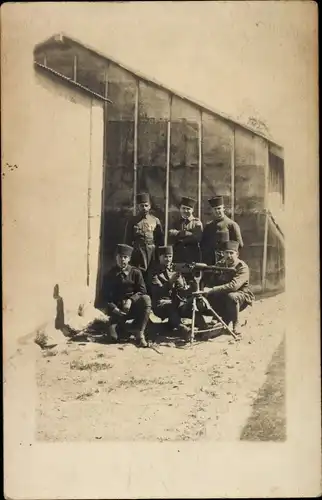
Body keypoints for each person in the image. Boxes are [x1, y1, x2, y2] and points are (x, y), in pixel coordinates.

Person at [196, 240, 254, 336]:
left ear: (237, 254)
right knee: (201, 299)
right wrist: (205, 288)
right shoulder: (220, 264)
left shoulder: (241, 267)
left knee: (232, 297)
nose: (229, 255)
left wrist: (212, 289)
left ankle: (235, 325)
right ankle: (217, 321)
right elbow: (211, 280)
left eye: (231, 253)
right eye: (226, 253)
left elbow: (234, 286)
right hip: (222, 295)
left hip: (240, 296)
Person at [150, 245, 208, 338]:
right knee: (171, 308)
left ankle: (204, 328)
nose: (168, 259)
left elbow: (182, 292)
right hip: (161, 304)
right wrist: (171, 281)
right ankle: (183, 330)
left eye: (170, 256)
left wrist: (193, 286)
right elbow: (159, 292)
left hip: (177, 303)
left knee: (191, 306)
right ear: (159, 257)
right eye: (165, 256)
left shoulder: (175, 270)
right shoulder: (154, 273)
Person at [101, 244, 151, 347]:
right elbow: (104, 297)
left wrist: (131, 300)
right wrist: (115, 309)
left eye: (125, 257)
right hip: (117, 311)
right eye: (120, 257)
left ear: (129, 258)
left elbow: (143, 291)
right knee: (113, 338)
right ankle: (124, 328)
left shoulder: (135, 273)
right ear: (116, 258)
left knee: (146, 299)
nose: (122, 260)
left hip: (132, 308)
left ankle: (140, 333)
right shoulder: (109, 275)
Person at [124, 192, 164, 286]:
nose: (144, 208)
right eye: (142, 206)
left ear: (150, 206)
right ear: (138, 207)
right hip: (138, 252)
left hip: (151, 252)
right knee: (139, 275)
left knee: (151, 276)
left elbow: (160, 239)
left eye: (146, 205)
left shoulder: (155, 220)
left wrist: (159, 255)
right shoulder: (132, 221)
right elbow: (127, 240)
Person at [201, 195, 243, 265]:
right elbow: (204, 245)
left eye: (219, 208)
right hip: (210, 262)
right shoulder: (209, 226)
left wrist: (228, 257)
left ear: (223, 208)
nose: (217, 211)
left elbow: (239, 245)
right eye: (215, 209)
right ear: (212, 210)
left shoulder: (231, 225)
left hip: (226, 262)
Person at [168, 196, 203, 265]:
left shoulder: (196, 222)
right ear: (180, 209)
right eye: (183, 208)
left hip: (192, 255)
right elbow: (170, 233)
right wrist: (185, 233)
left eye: (188, 209)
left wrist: (179, 235)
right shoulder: (176, 222)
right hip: (178, 255)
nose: (185, 211)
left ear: (192, 210)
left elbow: (197, 238)